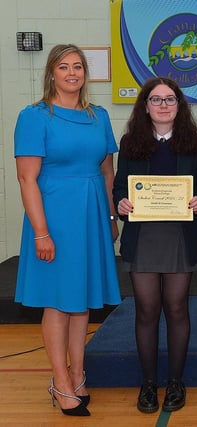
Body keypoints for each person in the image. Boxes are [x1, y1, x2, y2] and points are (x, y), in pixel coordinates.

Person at [14, 44, 121, 417]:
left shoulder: (99, 116)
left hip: (92, 215)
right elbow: (27, 179)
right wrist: (41, 232)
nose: (72, 73)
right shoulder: (34, 117)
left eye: (78, 67)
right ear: (52, 73)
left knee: (82, 304)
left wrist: (110, 218)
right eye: (64, 67)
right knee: (59, 303)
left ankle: (79, 377)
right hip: (55, 217)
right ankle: (60, 381)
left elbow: (107, 172)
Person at [113, 77, 197, 413]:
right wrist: (122, 203)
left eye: (170, 99)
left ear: (180, 105)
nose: (164, 105)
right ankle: (148, 385)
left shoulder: (196, 144)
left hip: (179, 238)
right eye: (156, 100)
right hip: (143, 238)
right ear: (145, 106)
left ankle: (175, 383)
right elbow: (118, 188)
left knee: (177, 308)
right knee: (146, 311)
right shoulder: (130, 143)